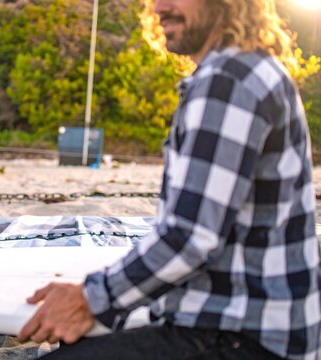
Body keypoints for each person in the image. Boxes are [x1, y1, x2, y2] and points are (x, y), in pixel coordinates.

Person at [18, 0, 321, 358]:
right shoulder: (244, 67)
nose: (160, 6)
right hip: (255, 323)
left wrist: (89, 298)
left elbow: (190, 237)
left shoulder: (228, 79)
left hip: (244, 338)